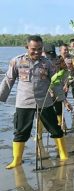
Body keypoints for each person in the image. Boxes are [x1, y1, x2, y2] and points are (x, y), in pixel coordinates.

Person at [0, 35, 68, 169]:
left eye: (39, 49)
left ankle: (63, 154)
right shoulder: (17, 61)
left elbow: (56, 83)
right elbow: (8, 80)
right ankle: (17, 160)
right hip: (24, 102)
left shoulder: (47, 63)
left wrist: (63, 100)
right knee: (20, 131)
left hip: (44, 102)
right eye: (33, 49)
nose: (36, 52)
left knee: (55, 129)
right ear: (27, 48)